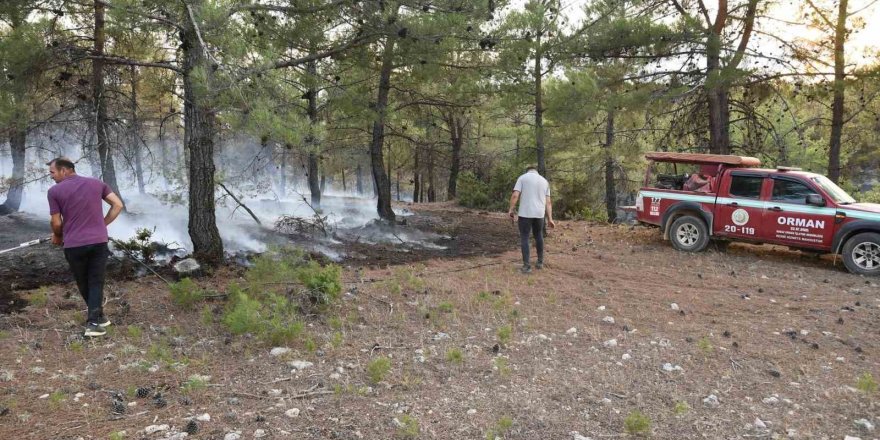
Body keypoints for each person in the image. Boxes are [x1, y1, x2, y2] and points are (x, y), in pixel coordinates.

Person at [47, 158, 124, 337]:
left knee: (83, 282)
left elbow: (56, 222)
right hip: (98, 242)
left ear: (64, 171)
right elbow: (117, 205)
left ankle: (93, 324)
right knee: (96, 281)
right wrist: (102, 225)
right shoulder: (97, 183)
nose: (51, 176)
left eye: (52, 172)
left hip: (74, 245)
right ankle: (99, 317)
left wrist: (58, 235)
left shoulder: (54, 192)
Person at [508, 166, 556, 273]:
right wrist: (550, 219)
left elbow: (515, 195)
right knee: (538, 235)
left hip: (525, 213)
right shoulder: (544, 181)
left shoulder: (522, 178)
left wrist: (511, 209)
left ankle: (527, 266)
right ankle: (540, 262)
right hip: (539, 214)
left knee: (525, 237)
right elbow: (548, 202)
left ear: (527, 171)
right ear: (536, 171)